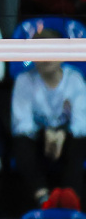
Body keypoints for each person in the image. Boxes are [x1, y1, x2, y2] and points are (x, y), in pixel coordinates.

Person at [11, 34, 86, 209]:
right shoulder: (24, 80)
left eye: (52, 50)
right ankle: (43, 197)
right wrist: (46, 134)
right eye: (41, 52)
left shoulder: (74, 80)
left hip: (66, 140)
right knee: (21, 143)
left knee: (80, 141)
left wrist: (62, 134)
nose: (46, 57)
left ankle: (70, 199)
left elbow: (82, 124)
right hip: (38, 141)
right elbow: (21, 124)